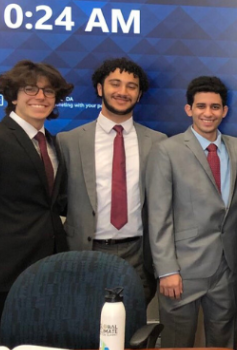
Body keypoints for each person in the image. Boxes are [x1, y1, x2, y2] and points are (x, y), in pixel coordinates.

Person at [147, 76, 237, 350]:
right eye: (201, 106)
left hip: (228, 266)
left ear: (225, 111)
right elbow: (158, 215)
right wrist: (166, 269)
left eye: (216, 107)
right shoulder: (168, 150)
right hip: (182, 270)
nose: (209, 113)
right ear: (189, 109)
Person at [59, 57, 166, 304]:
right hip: (85, 252)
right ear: (100, 89)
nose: (122, 91)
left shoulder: (158, 142)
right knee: (84, 327)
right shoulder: (69, 141)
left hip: (138, 254)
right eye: (115, 83)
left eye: (131, 86)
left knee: (131, 331)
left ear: (139, 95)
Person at [0, 60, 73, 348]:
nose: (40, 96)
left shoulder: (52, 142)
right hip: (5, 274)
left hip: (51, 268)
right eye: (30, 89)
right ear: (13, 96)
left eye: (49, 92)